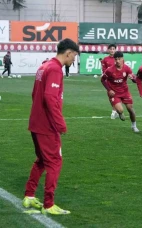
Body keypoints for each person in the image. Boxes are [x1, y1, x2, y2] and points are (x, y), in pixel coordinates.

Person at [23, 38, 79, 215]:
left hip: (36, 122)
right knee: (55, 162)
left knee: (42, 160)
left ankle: (29, 196)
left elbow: (35, 94)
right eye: (74, 56)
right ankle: (49, 204)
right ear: (68, 52)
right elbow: (49, 98)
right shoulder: (55, 68)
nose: (74, 60)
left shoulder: (44, 66)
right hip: (47, 126)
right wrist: (60, 123)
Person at [100, 51, 139, 133]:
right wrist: (109, 90)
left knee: (130, 109)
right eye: (116, 59)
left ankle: (134, 126)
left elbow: (135, 81)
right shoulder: (110, 70)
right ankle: (120, 113)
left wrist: (132, 78)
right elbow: (103, 80)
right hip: (114, 93)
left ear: (122, 59)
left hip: (125, 92)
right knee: (120, 110)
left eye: (119, 59)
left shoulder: (127, 68)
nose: (117, 61)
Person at [101, 44, 119, 119]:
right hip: (108, 80)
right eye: (110, 49)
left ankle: (114, 112)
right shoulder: (105, 59)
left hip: (117, 81)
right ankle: (116, 110)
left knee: (116, 96)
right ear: (108, 50)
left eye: (113, 49)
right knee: (110, 95)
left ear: (115, 50)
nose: (112, 50)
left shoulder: (118, 59)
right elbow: (104, 70)